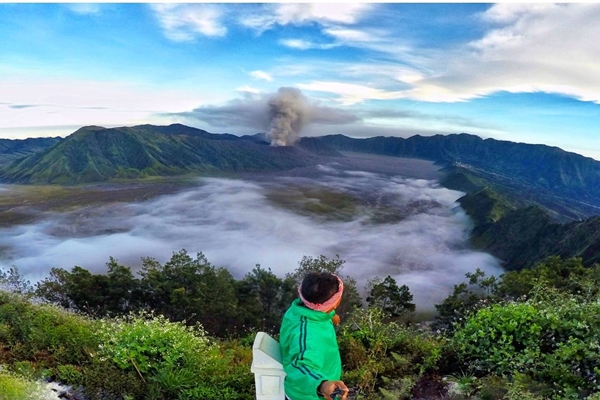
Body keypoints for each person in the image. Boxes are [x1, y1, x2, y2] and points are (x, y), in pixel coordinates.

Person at [279, 272, 349, 400]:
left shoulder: (301, 308)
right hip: (309, 394)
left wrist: (330, 315)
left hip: (319, 376)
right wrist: (322, 385)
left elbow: (318, 307)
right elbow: (301, 367)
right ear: (334, 302)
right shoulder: (309, 336)